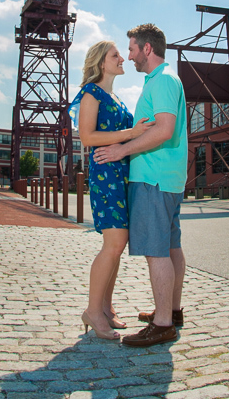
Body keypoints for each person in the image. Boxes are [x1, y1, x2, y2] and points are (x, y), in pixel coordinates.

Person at [94, 24, 188, 347]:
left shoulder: (161, 81)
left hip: (153, 179)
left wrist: (120, 150)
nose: (129, 55)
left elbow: (163, 130)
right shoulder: (164, 80)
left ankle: (162, 324)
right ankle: (171, 311)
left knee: (156, 252)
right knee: (172, 248)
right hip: (169, 179)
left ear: (148, 49)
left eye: (132, 49)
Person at [69, 40, 154, 340]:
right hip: (105, 176)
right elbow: (88, 137)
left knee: (117, 245)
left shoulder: (115, 97)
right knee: (114, 244)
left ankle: (105, 307)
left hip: (121, 175)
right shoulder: (92, 92)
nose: (122, 59)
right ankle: (92, 310)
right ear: (101, 63)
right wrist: (131, 133)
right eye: (115, 55)